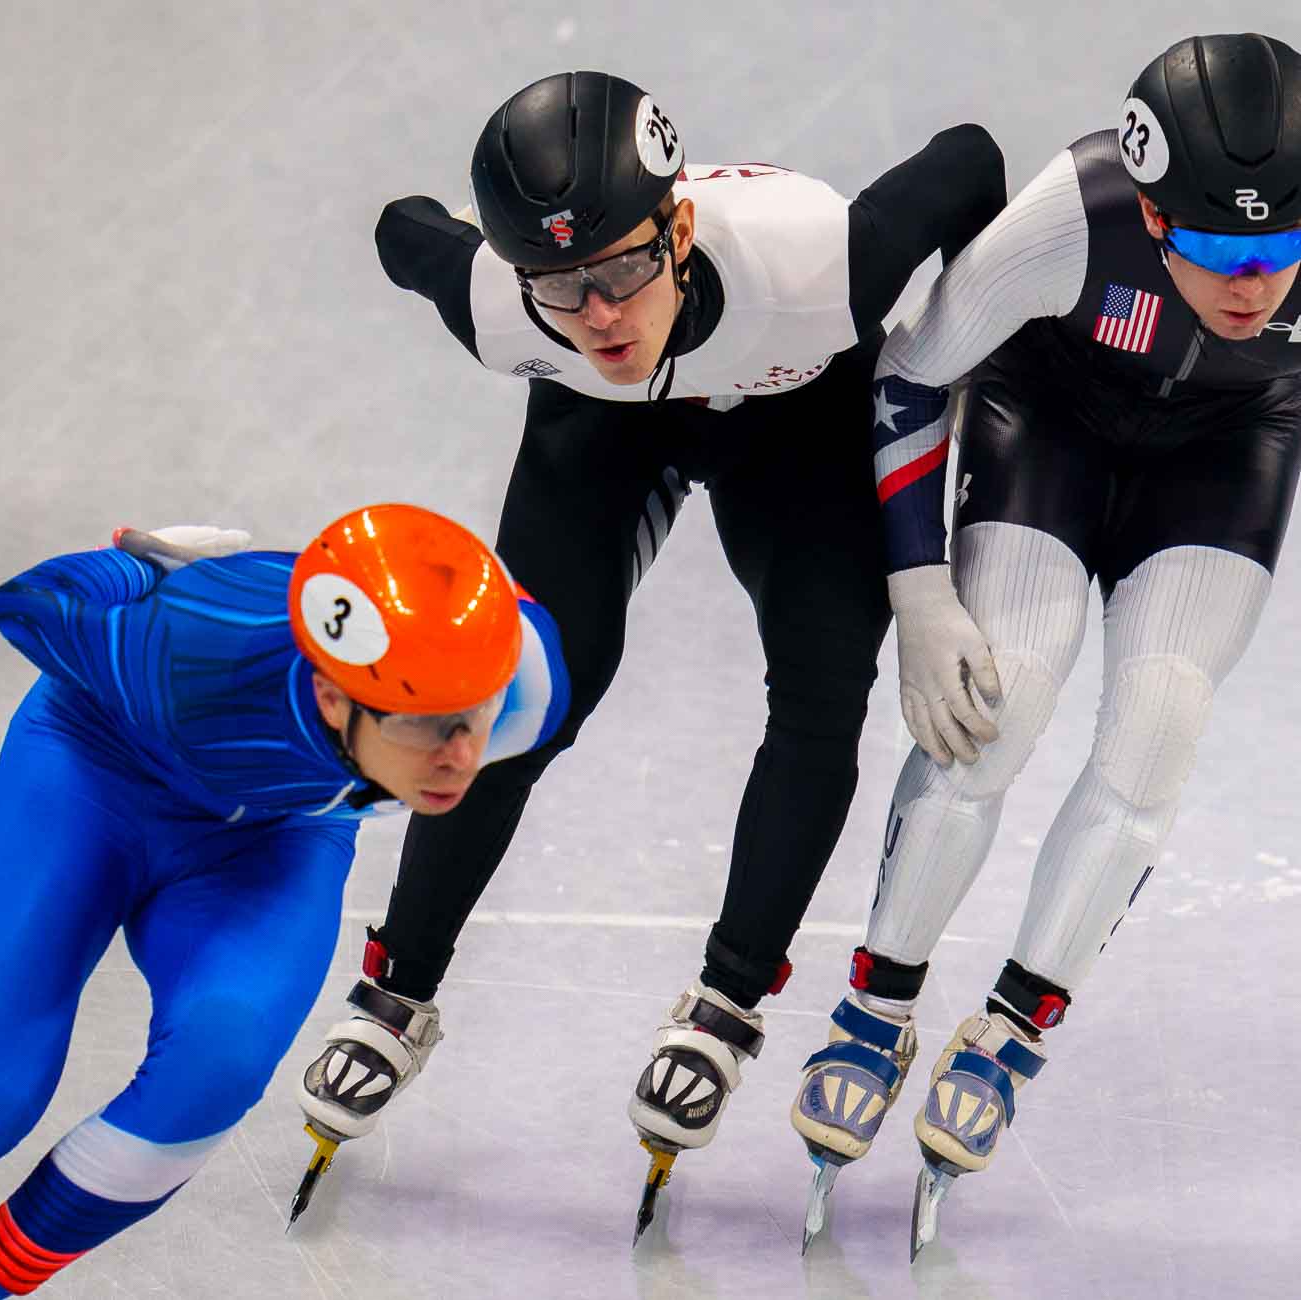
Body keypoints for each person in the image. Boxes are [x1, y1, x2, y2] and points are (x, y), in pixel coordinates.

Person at [291, 70, 1006, 1232]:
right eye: (560, 287)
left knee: (822, 694)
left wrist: (985, 360)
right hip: (602, 430)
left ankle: (728, 1001)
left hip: (800, 411)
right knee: (515, 699)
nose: (602, 316)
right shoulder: (499, 300)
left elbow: (970, 155)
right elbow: (402, 234)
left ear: (678, 226)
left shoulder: (824, 261)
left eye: (623, 268)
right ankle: (396, 988)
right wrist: (492, 261)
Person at [787, 33, 1301, 1256]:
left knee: (1160, 725)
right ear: (1150, 216)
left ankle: (1015, 1025)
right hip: (1050, 426)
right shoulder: (1066, 215)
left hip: (1225, 455)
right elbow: (912, 373)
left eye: (1282, 244)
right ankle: (877, 1005)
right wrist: (919, 585)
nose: (1253, 283)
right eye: (1210, 247)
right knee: (1001, 706)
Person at [0, 507, 567, 1299]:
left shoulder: (526, 685)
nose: (461, 754)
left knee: (220, 1062)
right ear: (334, 696)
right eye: (423, 725)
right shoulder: (193, 653)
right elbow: (27, 602)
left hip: (270, 838)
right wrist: (131, 566)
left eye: (474, 714)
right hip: (99, 775)